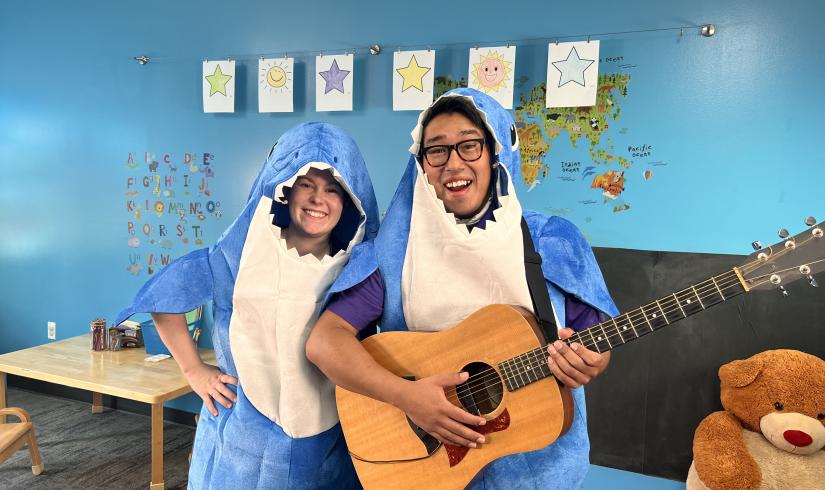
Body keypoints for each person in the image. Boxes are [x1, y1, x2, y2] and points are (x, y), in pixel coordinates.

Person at [306, 89, 618, 488]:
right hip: (428, 465)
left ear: (495, 152)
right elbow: (324, 342)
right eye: (436, 150)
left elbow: (596, 340)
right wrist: (407, 397)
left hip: (537, 469)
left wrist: (591, 361)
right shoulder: (394, 253)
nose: (453, 162)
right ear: (421, 163)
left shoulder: (552, 241)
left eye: (470, 145)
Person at [115, 122, 379, 489]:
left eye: (333, 189)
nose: (319, 199)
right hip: (241, 440)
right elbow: (165, 296)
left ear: (350, 199)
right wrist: (193, 370)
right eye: (306, 184)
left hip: (329, 441)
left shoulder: (358, 267)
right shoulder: (239, 253)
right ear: (285, 187)